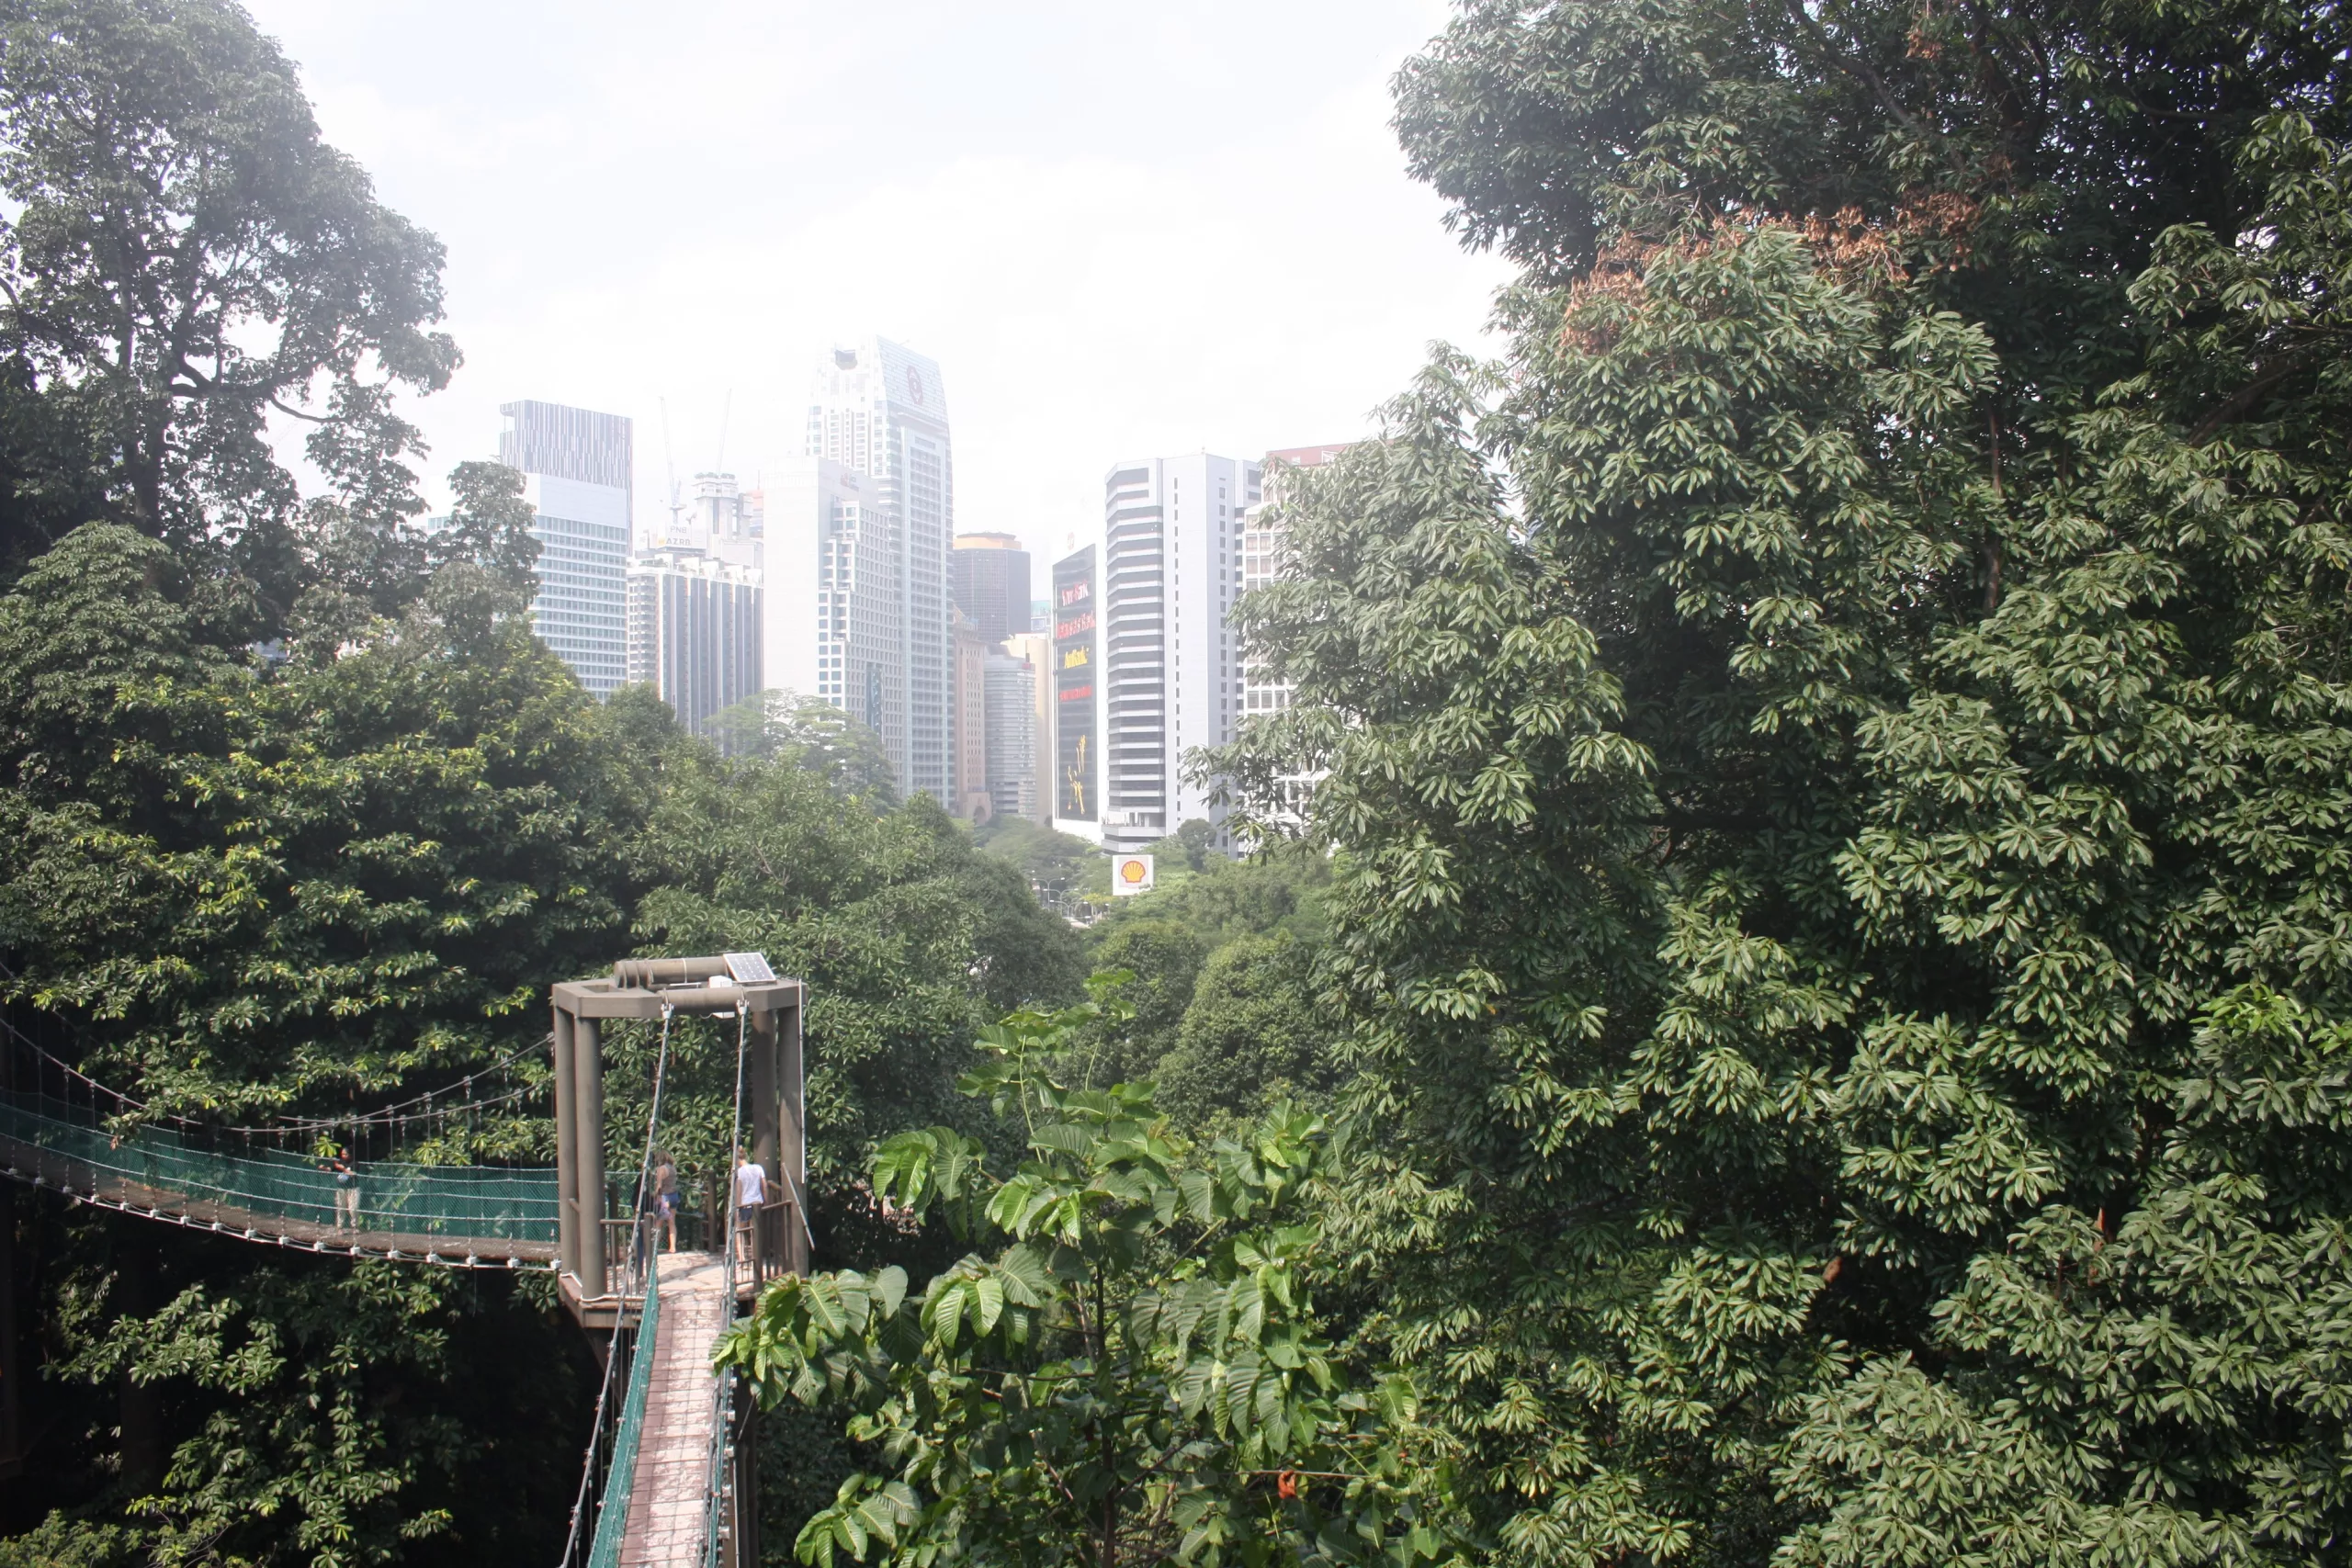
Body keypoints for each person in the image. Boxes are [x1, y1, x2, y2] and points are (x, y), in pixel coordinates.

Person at [733, 1154, 767, 1266]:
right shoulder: (758, 1168)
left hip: (745, 1204)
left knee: (740, 1231)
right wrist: (765, 1200)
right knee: (754, 1232)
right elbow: (764, 1185)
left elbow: (739, 1190)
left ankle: (742, 1258)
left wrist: (737, 1207)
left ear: (738, 1160)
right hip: (757, 1203)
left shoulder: (740, 1172)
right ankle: (755, 1257)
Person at [321, 1145, 358, 1232]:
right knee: (341, 1207)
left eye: (345, 1154)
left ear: (350, 1155)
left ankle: (354, 1227)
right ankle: (340, 1227)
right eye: (342, 1154)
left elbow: (353, 1173)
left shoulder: (355, 1163)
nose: (343, 1156)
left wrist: (343, 1169)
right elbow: (330, 1169)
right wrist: (323, 1168)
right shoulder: (340, 1162)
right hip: (341, 1188)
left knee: (353, 1208)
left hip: (352, 1188)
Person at [652, 1151, 680, 1254]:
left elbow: (659, 1185)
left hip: (665, 1197)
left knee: (659, 1223)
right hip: (674, 1196)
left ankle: (654, 1247)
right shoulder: (673, 1168)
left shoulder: (661, 1169)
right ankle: (673, 1247)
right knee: (672, 1222)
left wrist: (656, 1195)